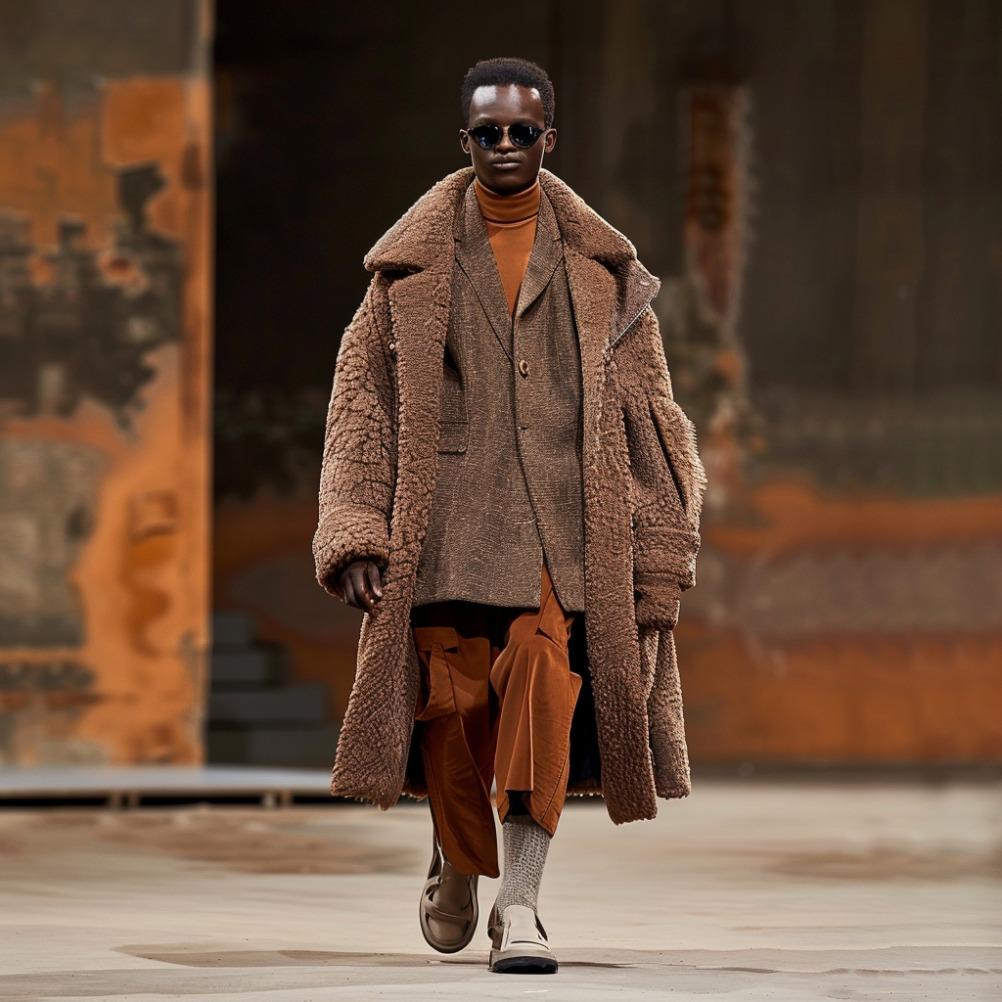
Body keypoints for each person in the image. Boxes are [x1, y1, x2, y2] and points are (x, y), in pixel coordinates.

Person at [313, 56, 708, 975]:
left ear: (548, 139)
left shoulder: (607, 275)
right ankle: (459, 857)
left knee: (544, 690)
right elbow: (360, 404)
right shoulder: (407, 271)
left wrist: (659, 553)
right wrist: (357, 527)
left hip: (563, 528)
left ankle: (521, 905)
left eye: (521, 131)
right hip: (445, 524)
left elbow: (652, 419)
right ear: (464, 140)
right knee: (451, 710)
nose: (503, 145)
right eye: (487, 132)